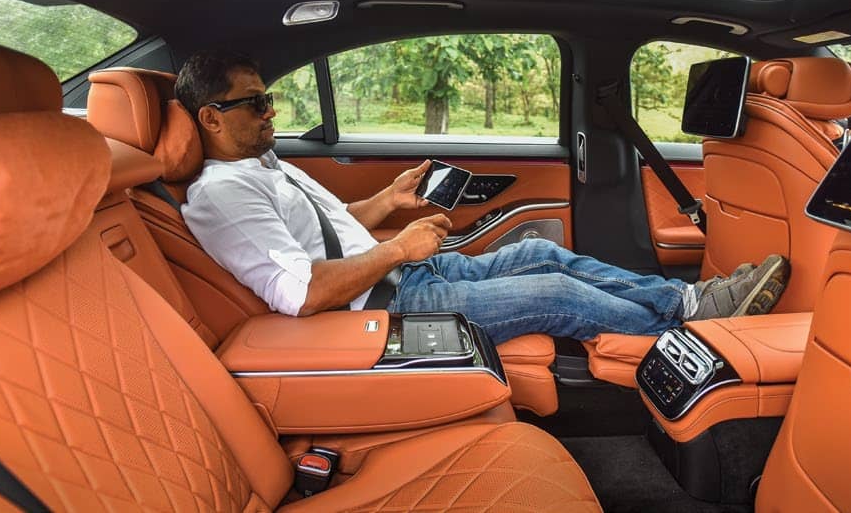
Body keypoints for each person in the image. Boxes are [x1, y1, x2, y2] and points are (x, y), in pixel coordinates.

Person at [177, 51, 789, 345]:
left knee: (541, 254)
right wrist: (398, 250)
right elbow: (302, 293)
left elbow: (327, 229)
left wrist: (386, 203)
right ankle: (692, 334)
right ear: (210, 117)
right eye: (256, 102)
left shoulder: (262, 166)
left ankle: (685, 298)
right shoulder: (222, 196)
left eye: (267, 98)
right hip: (386, 307)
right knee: (556, 294)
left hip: (405, 276)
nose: (271, 110)